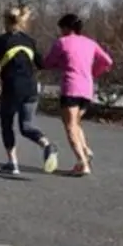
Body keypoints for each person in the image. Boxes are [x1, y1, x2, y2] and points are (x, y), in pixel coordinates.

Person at [0, 7, 60, 175]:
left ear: (6, 22)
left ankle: (13, 163)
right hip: (31, 87)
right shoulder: (29, 41)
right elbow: (42, 64)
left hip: (12, 87)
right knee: (27, 126)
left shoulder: (2, 40)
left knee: (7, 123)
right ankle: (46, 145)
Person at [42, 13, 113, 176]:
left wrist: (57, 63)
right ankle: (86, 150)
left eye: (62, 28)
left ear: (67, 28)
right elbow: (108, 61)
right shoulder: (90, 43)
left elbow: (47, 62)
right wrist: (94, 72)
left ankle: (82, 162)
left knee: (70, 126)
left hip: (71, 87)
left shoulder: (62, 42)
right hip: (87, 88)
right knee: (76, 122)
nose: (60, 32)